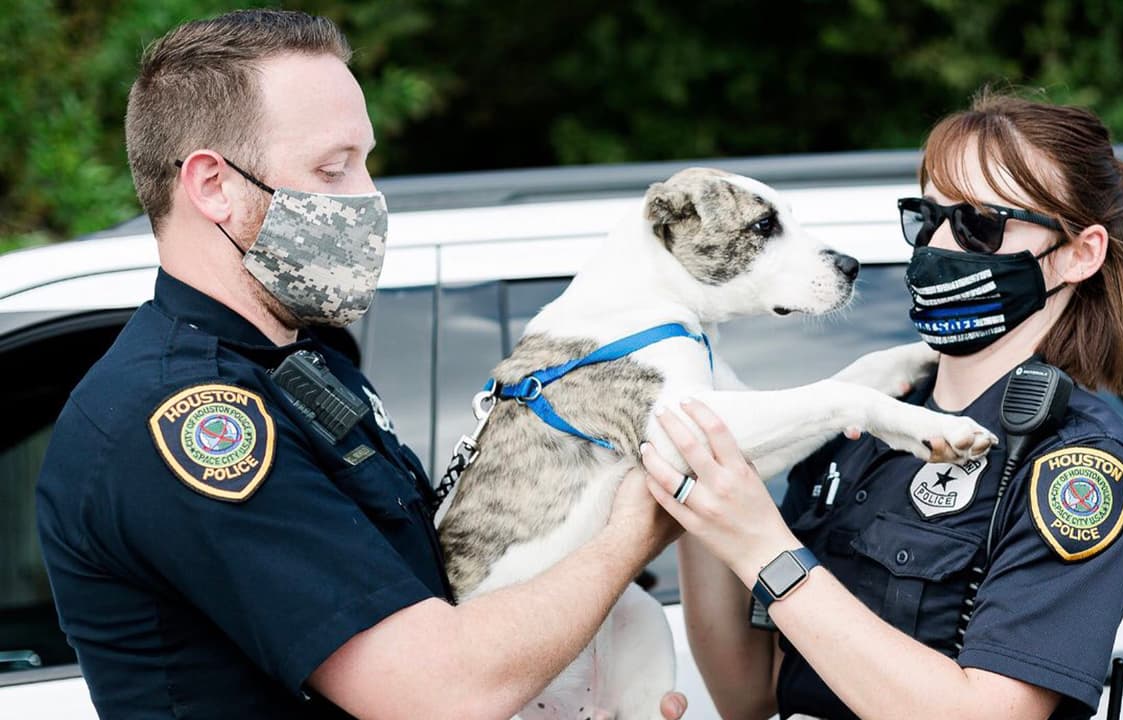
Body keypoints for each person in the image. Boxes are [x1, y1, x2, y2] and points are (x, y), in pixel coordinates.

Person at [36, 10, 685, 719]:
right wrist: (636, 530)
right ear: (213, 186)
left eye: (365, 162)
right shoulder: (183, 420)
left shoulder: (305, 360)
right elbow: (436, 692)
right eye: (332, 168)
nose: (368, 197)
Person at [639, 90, 1123, 720]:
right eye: (927, 217)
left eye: (980, 223)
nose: (938, 244)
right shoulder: (860, 420)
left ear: (1081, 254)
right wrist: (706, 493)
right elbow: (750, 694)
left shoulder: (1077, 467)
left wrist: (763, 547)